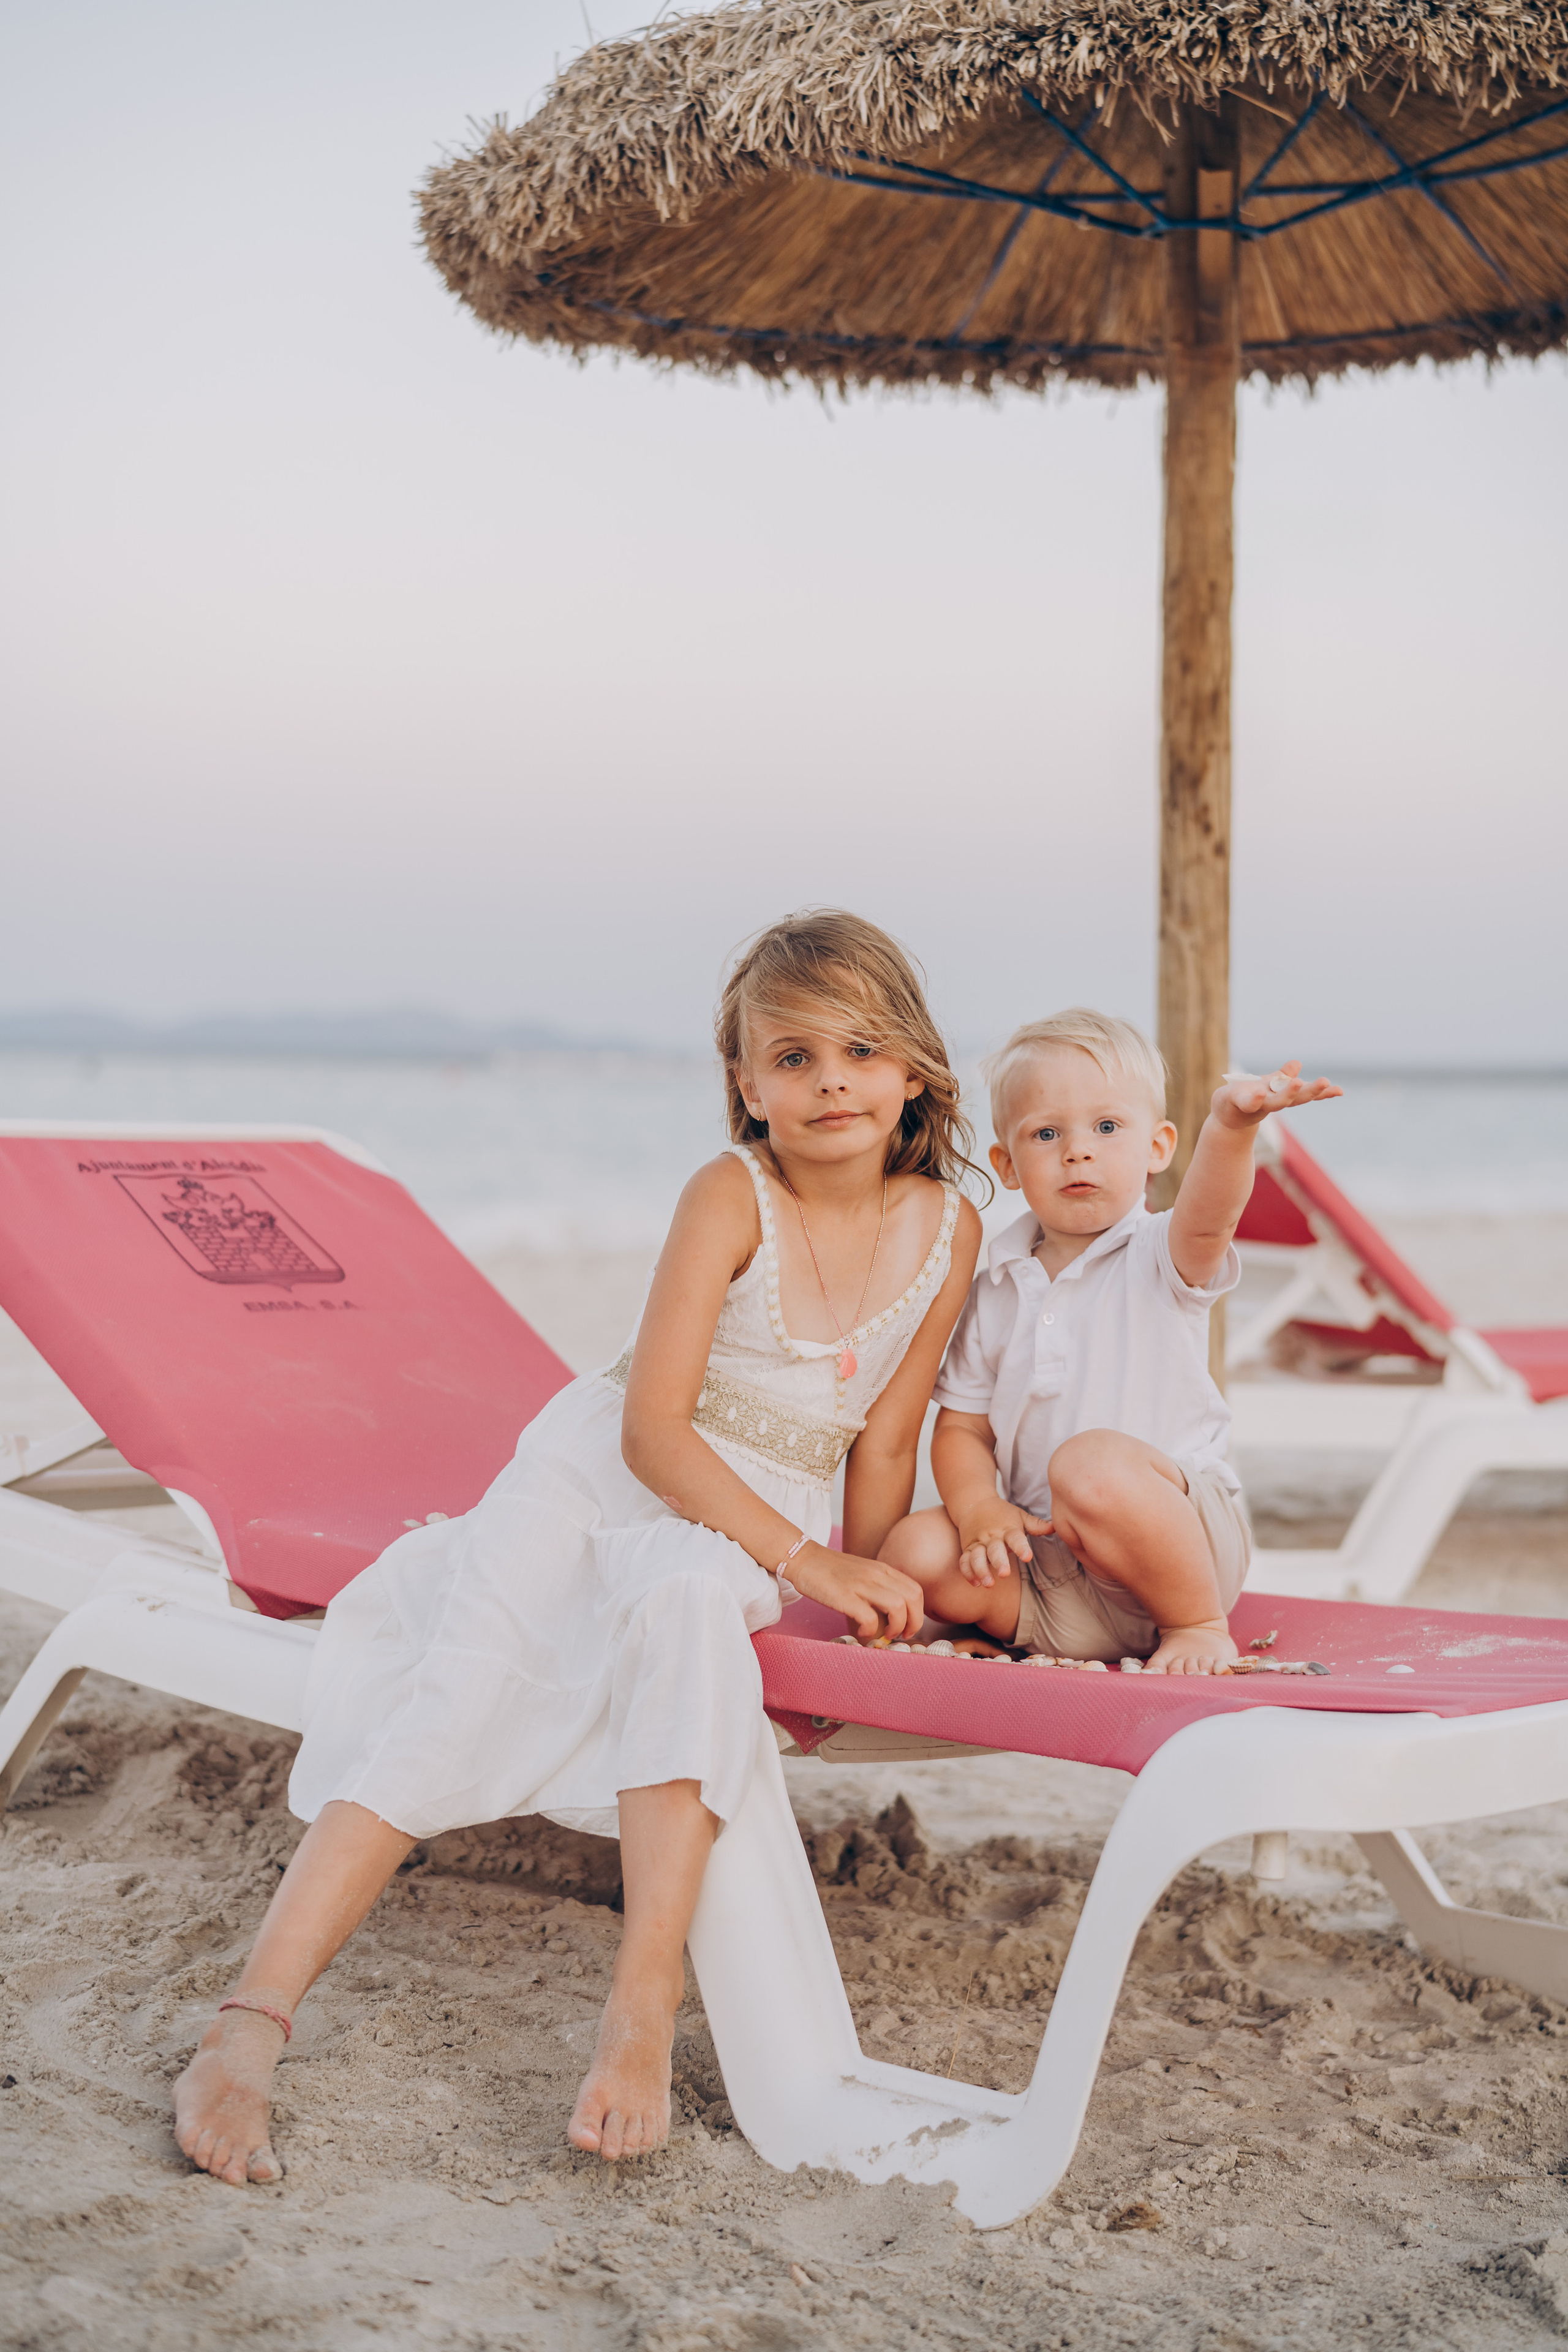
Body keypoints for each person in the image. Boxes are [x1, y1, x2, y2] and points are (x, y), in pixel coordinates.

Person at [173, 910, 982, 2185]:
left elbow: (883, 1440)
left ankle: (639, 2004)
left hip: (746, 1526)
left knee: (684, 1613)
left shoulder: (944, 1226)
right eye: (791, 1057)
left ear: (914, 1072)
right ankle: (246, 2024)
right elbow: (654, 1434)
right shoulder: (730, 1197)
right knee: (458, 1693)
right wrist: (807, 1561)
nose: (830, 1079)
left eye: (861, 1050)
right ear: (744, 1087)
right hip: (601, 1474)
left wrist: (864, 1583)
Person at [880, 1009, 1339, 1676]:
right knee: (914, 1552)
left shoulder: (1160, 1252)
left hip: (1182, 1553)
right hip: (1057, 1568)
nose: (1077, 1151)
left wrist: (1232, 1129)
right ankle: (1020, 1629)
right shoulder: (998, 1287)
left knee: (1087, 1465)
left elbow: (1211, 1218)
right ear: (1008, 1165)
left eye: (1105, 1127)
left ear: (1157, 1148)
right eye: (1046, 1133)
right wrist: (980, 1508)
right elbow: (962, 1431)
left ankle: (1198, 1630)